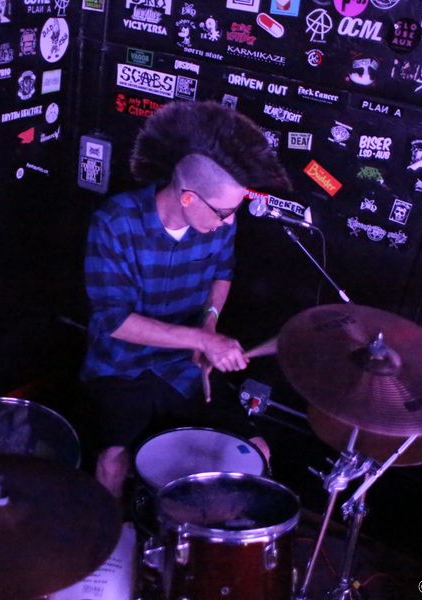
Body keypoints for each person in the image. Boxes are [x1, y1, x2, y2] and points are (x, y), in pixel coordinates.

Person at [82, 100, 291, 497]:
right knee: (112, 456)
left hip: (183, 365)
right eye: (224, 212)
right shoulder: (114, 222)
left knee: (256, 450)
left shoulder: (220, 224)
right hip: (120, 366)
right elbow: (114, 321)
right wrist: (203, 339)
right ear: (188, 198)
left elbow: (222, 273)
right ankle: (108, 528)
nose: (230, 221)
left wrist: (209, 321)